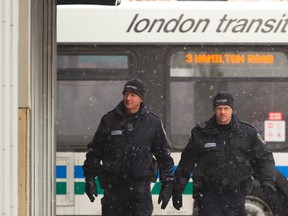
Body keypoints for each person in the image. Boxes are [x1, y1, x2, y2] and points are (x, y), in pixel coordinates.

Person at [172, 91, 276, 216]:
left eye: (226, 108)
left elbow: (265, 158)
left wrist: (267, 181)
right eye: (219, 108)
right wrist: (177, 189)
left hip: (236, 195)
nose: (222, 112)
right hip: (208, 195)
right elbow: (186, 163)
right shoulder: (201, 133)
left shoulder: (247, 133)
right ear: (214, 110)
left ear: (232, 109)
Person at [82, 78, 174, 216]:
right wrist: (89, 178)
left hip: (140, 191)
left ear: (141, 98)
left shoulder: (153, 123)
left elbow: (164, 156)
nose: (128, 98)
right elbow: (94, 152)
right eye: (126, 94)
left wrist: (167, 184)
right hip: (113, 190)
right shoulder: (109, 120)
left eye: (133, 95)